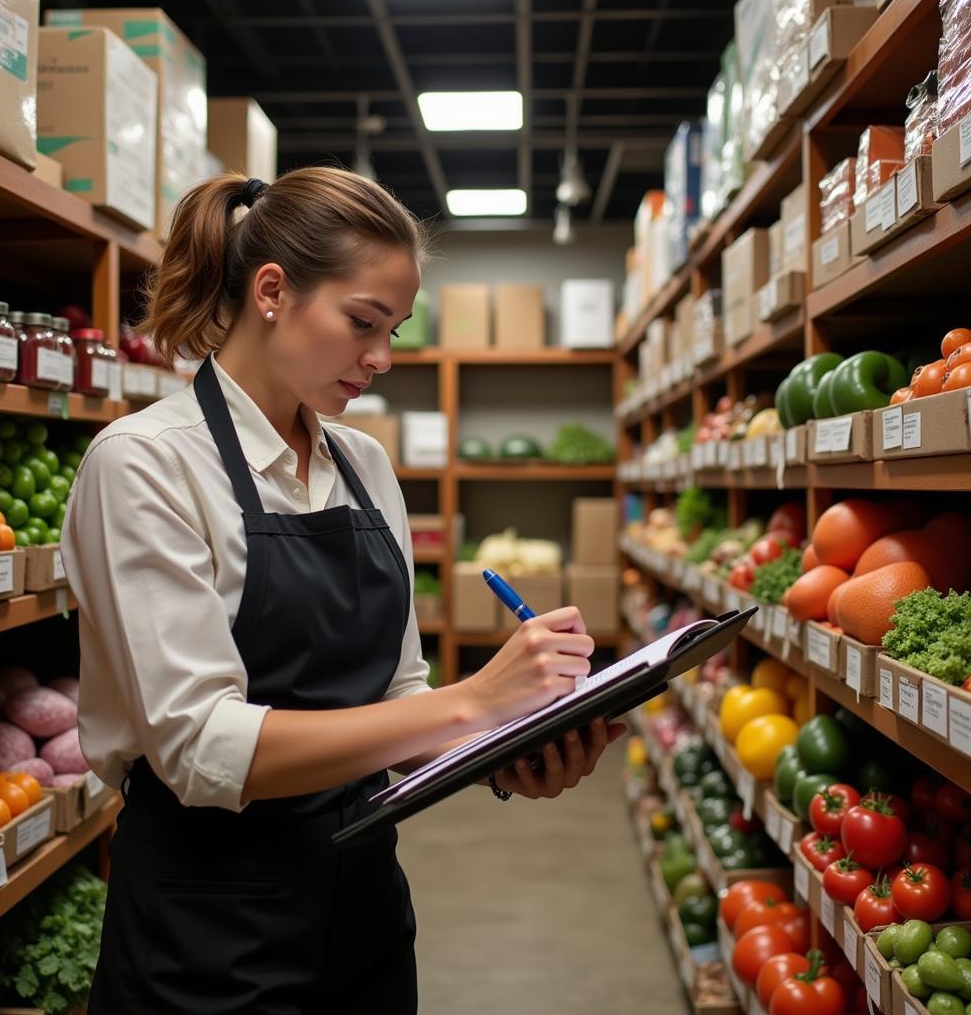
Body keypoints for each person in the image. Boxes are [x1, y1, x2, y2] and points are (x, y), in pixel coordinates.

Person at [62, 167, 626, 1014]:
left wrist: (503, 758)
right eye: (363, 323)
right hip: (207, 928)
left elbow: (397, 697)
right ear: (273, 291)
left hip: (364, 912)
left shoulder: (364, 467)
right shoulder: (146, 464)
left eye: (394, 330)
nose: (381, 359)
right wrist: (474, 703)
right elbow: (202, 745)